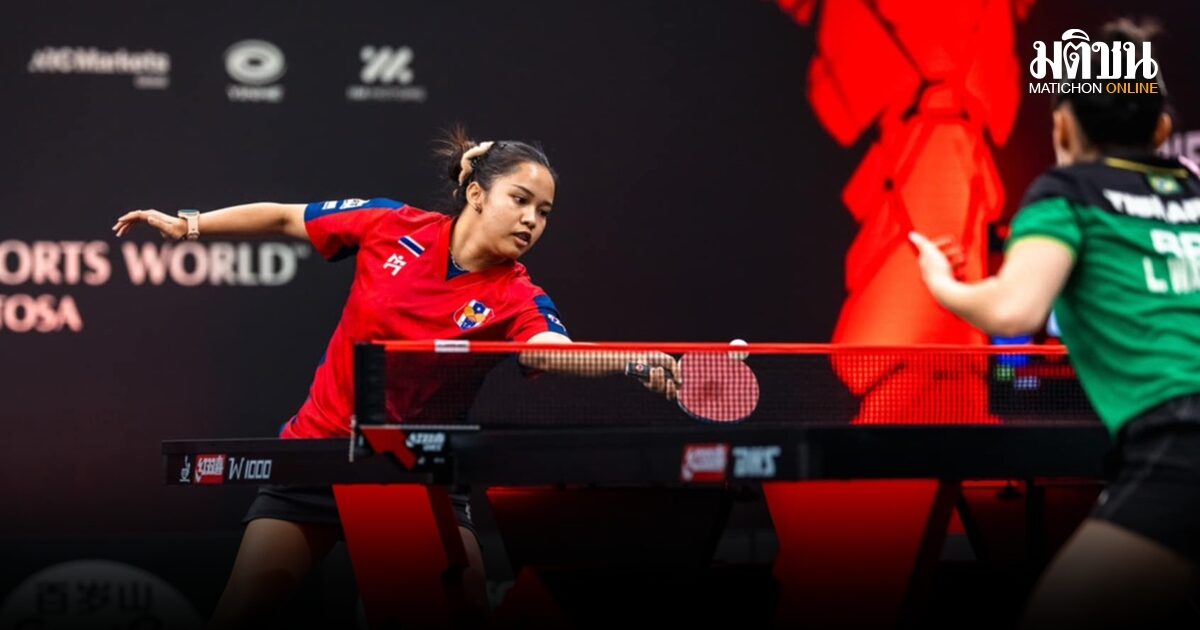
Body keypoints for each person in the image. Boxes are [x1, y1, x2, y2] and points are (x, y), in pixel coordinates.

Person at [113, 128, 679, 626]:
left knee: (461, 611)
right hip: (319, 454)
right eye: (521, 200)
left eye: (545, 212)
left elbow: (551, 352)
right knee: (243, 611)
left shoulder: (516, 295)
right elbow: (287, 216)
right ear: (477, 195)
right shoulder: (390, 224)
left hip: (416, 473)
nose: (532, 220)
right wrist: (190, 225)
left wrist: (629, 361)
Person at [910, 20, 1199, 629]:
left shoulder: (1067, 193)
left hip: (1182, 444)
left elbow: (1014, 312)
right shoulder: (1194, 193)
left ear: (1063, 127)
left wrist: (942, 285)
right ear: (1162, 130)